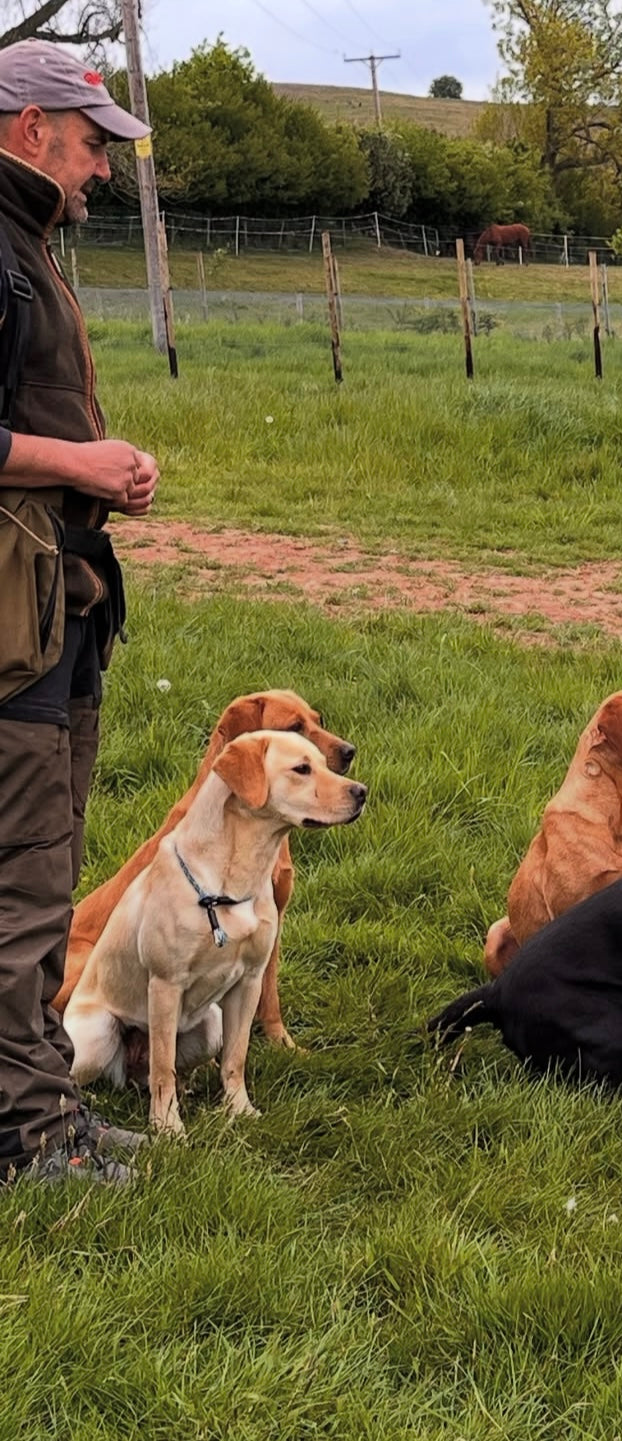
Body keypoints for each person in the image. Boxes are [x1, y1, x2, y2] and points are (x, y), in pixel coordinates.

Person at [0, 40, 160, 1184]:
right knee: (23, 875)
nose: (101, 168)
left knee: (44, 871)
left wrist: (97, 477)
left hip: (58, 598)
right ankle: (26, 1136)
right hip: (12, 623)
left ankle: (43, 1100)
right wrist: (80, 462)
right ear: (27, 131)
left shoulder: (26, 246)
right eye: (91, 141)